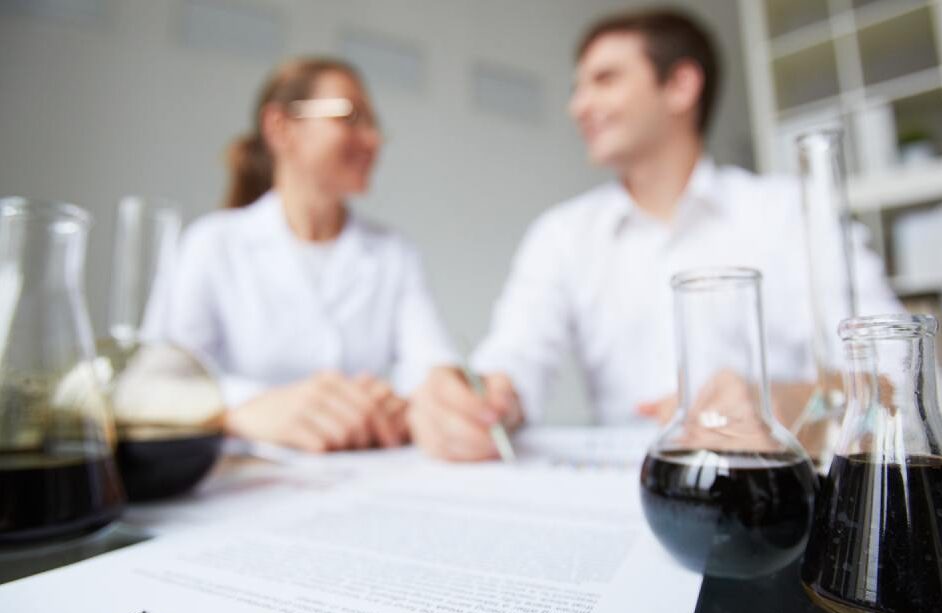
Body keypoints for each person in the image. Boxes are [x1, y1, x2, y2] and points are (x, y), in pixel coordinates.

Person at [407, 9, 902, 461]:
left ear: (681, 86)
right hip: (630, 492)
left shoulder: (790, 210)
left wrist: (789, 403)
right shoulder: (562, 234)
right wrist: (484, 400)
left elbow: (899, 374)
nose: (578, 106)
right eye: (577, 87)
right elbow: (517, 355)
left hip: (777, 488)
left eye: (604, 80)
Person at [160, 57, 457, 452]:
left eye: (374, 125)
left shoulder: (393, 253)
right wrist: (247, 409)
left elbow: (431, 365)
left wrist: (422, 399)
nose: (373, 140)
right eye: (351, 118)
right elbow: (157, 384)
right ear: (280, 127)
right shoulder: (212, 244)